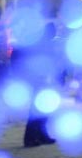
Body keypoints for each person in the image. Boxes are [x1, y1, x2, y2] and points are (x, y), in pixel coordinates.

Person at [11, 20, 61, 148]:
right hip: (38, 81)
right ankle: (31, 138)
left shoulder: (43, 44)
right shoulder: (37, 45)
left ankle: (40, 136)